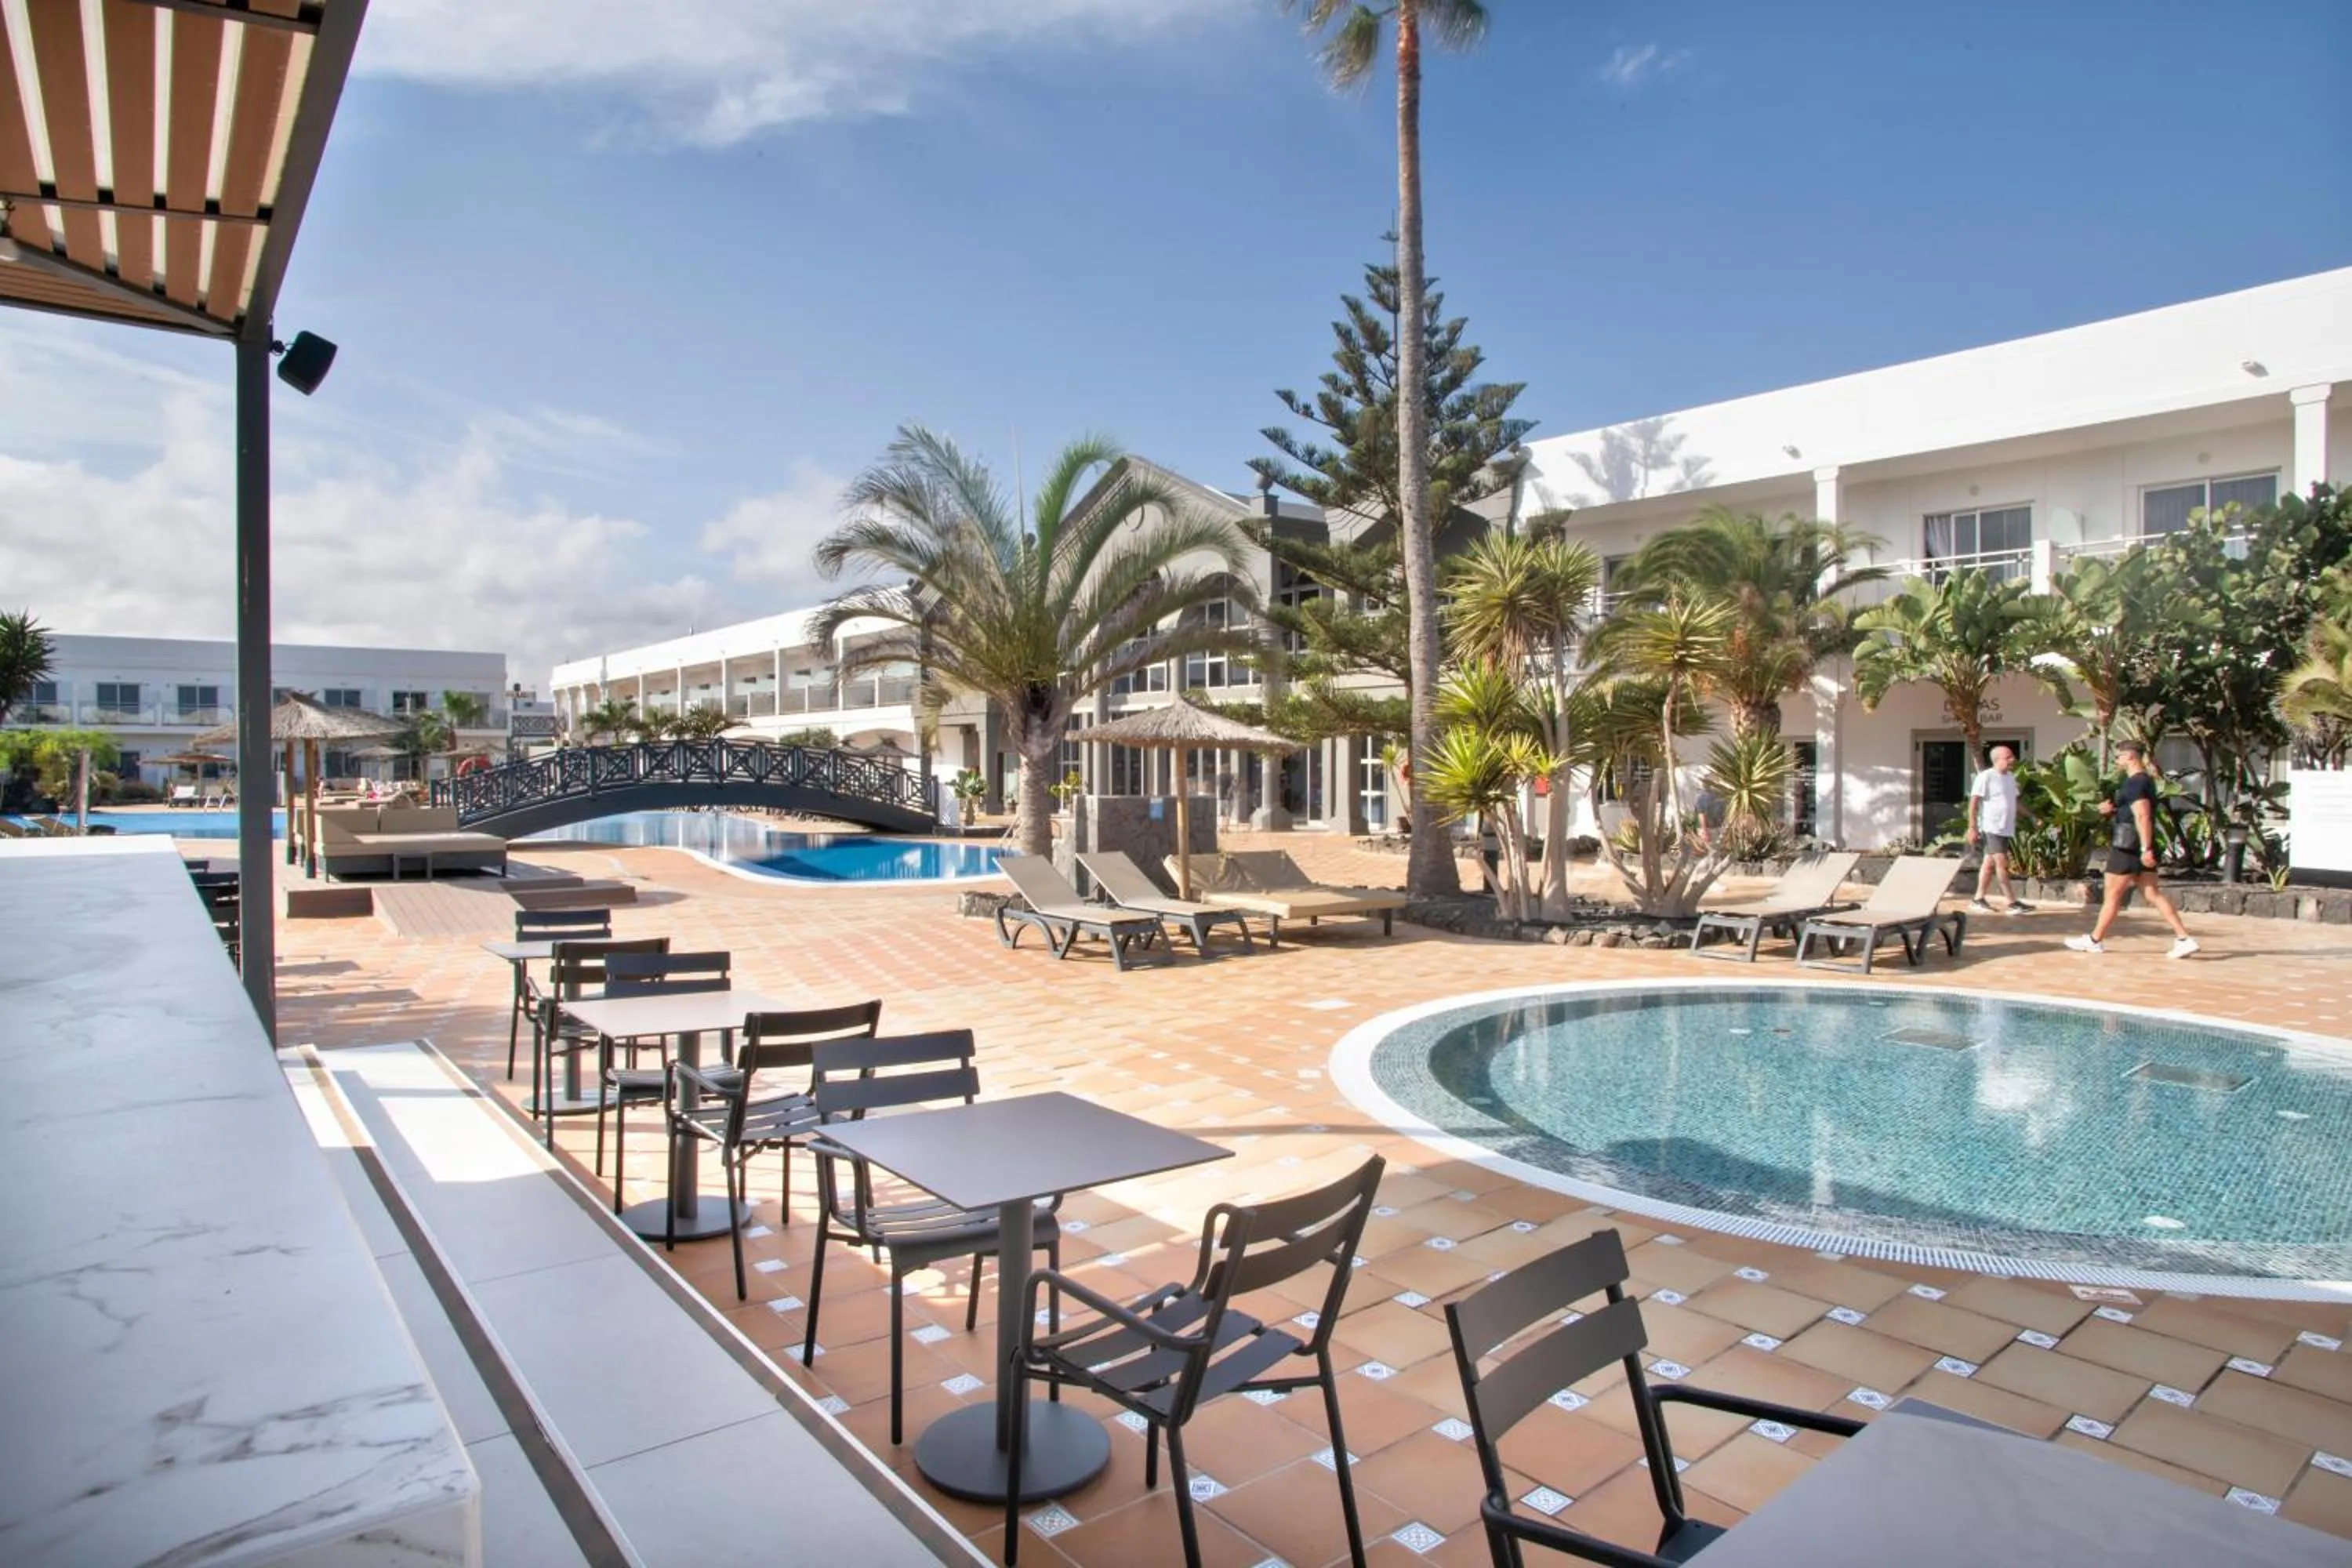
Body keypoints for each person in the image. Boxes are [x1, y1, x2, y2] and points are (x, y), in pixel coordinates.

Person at [2067, 742, 2198, 957]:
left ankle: (2094, 940)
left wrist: (2146, 849)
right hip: (2137, 844)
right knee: (2152, 893)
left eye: (2118, 757)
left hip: (2128, 846)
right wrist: (2110, 811)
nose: (2116, 761)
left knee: (2112, 895)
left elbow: (2143, 815)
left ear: (2129, 757)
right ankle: (2184, 938)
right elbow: (2131, 811)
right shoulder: (2142, 782)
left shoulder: (2135, 783)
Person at [1965, 744, 2029, 915]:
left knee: (1988, 864)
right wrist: (1972, 827)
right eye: (2008, 757)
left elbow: (2015, 802)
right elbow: (1973, 803)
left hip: (2005, 827)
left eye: (2012, 757)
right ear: (1997, 760)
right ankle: (2011, 902)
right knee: (2002, 863)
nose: (2012, 760)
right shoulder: (1985, 777)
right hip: (1991, 826)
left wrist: (2032, 817)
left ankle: (1978, 898)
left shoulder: (2010, 777)